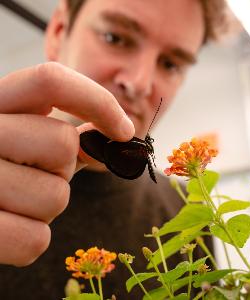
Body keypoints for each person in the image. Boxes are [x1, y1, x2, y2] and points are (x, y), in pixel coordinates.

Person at [0, 0, 231, 298]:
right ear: (58, 33)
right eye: (116, 38)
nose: (139, 83)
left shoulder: (192, 210)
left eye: (171, 64)